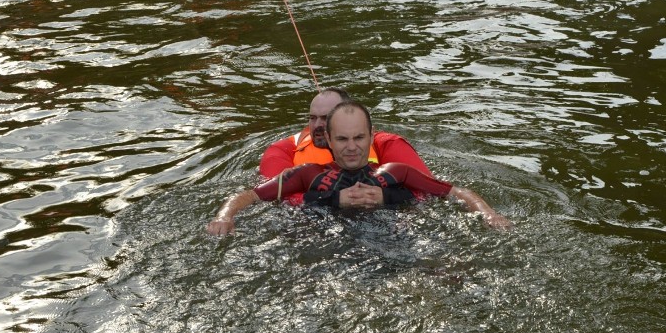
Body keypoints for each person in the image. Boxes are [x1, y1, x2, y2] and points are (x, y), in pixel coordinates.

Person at [208, 101, 512, 235]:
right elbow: (248, 195)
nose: (351, 147)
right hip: (330, 248)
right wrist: (224, 217)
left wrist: (487, 212)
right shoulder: (307, 175)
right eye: (342, 139)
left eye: (358, 138)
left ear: (371, 137)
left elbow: (455, 191)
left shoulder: (393, 173)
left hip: (393, 237)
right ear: (327, 139)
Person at [259, 87, 433, 207]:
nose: (318, 125)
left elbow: (429, 191)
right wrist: (332, 199)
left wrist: (385, 197)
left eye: (326, 118)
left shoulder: (387, 144)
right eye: (313, 118)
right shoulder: (283, 150)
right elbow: (271, 199)